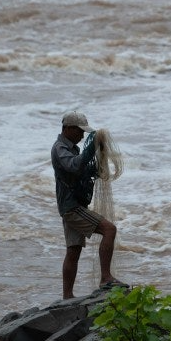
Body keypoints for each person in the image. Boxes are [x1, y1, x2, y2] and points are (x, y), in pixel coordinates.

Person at [51, 108, 125, 299]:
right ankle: (106, 278)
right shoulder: (60, 149)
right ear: (67, 128)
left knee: (73, 251)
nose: (82, 135)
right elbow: (75, 166)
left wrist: (93, 168)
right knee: (109, 230)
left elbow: (79, 170)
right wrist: (92, 150)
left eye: (84, 132)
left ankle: (67, 296)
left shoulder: (71, 149)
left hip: (72, 206)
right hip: (72, 207)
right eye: (79, 131)